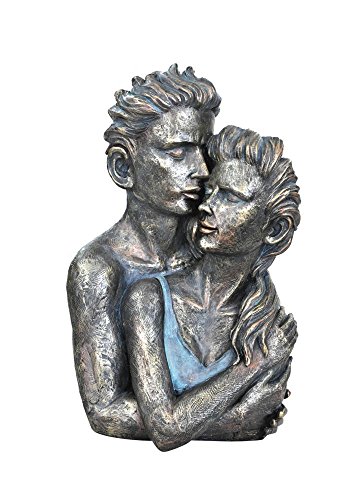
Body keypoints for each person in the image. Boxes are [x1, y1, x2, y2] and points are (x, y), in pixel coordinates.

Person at [123, 125, 301, 450]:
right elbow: (164, 429)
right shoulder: (148, 299)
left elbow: (262, 413)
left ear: (274, 229)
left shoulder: (266, 324)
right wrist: (251, 375)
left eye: (231, 198)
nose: (207, 206)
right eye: (210, 192)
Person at [67, 65, 221, 438]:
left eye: (205, 151)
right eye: (178, 152)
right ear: (123, 166)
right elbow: (106, 411)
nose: (202, 170)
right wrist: (243, 418)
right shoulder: (98, 270)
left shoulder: (217, 248)